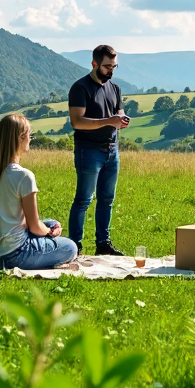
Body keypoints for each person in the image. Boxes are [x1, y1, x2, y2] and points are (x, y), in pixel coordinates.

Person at [0, 113, 78, 269]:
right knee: (70, 247)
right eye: (29, 135)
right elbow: (35, 226)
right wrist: (49, 234)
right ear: (20, 137)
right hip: (12, 254)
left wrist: (48, 228)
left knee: (52, 222)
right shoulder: (23, 176)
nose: (30, 139)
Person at [67, 44, 129, 256]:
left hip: (112, 150)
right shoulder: (80, 88)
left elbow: (117, 113)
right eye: (107, 66)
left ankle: (104, 245)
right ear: (94, 64)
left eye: (114, 66)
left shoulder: (115, 88)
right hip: (89, 150)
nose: (111, 70)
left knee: (107, 199)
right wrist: (108, 121)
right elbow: (77, 121)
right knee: (84, 199)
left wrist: (121, 119)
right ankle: (74, 247)